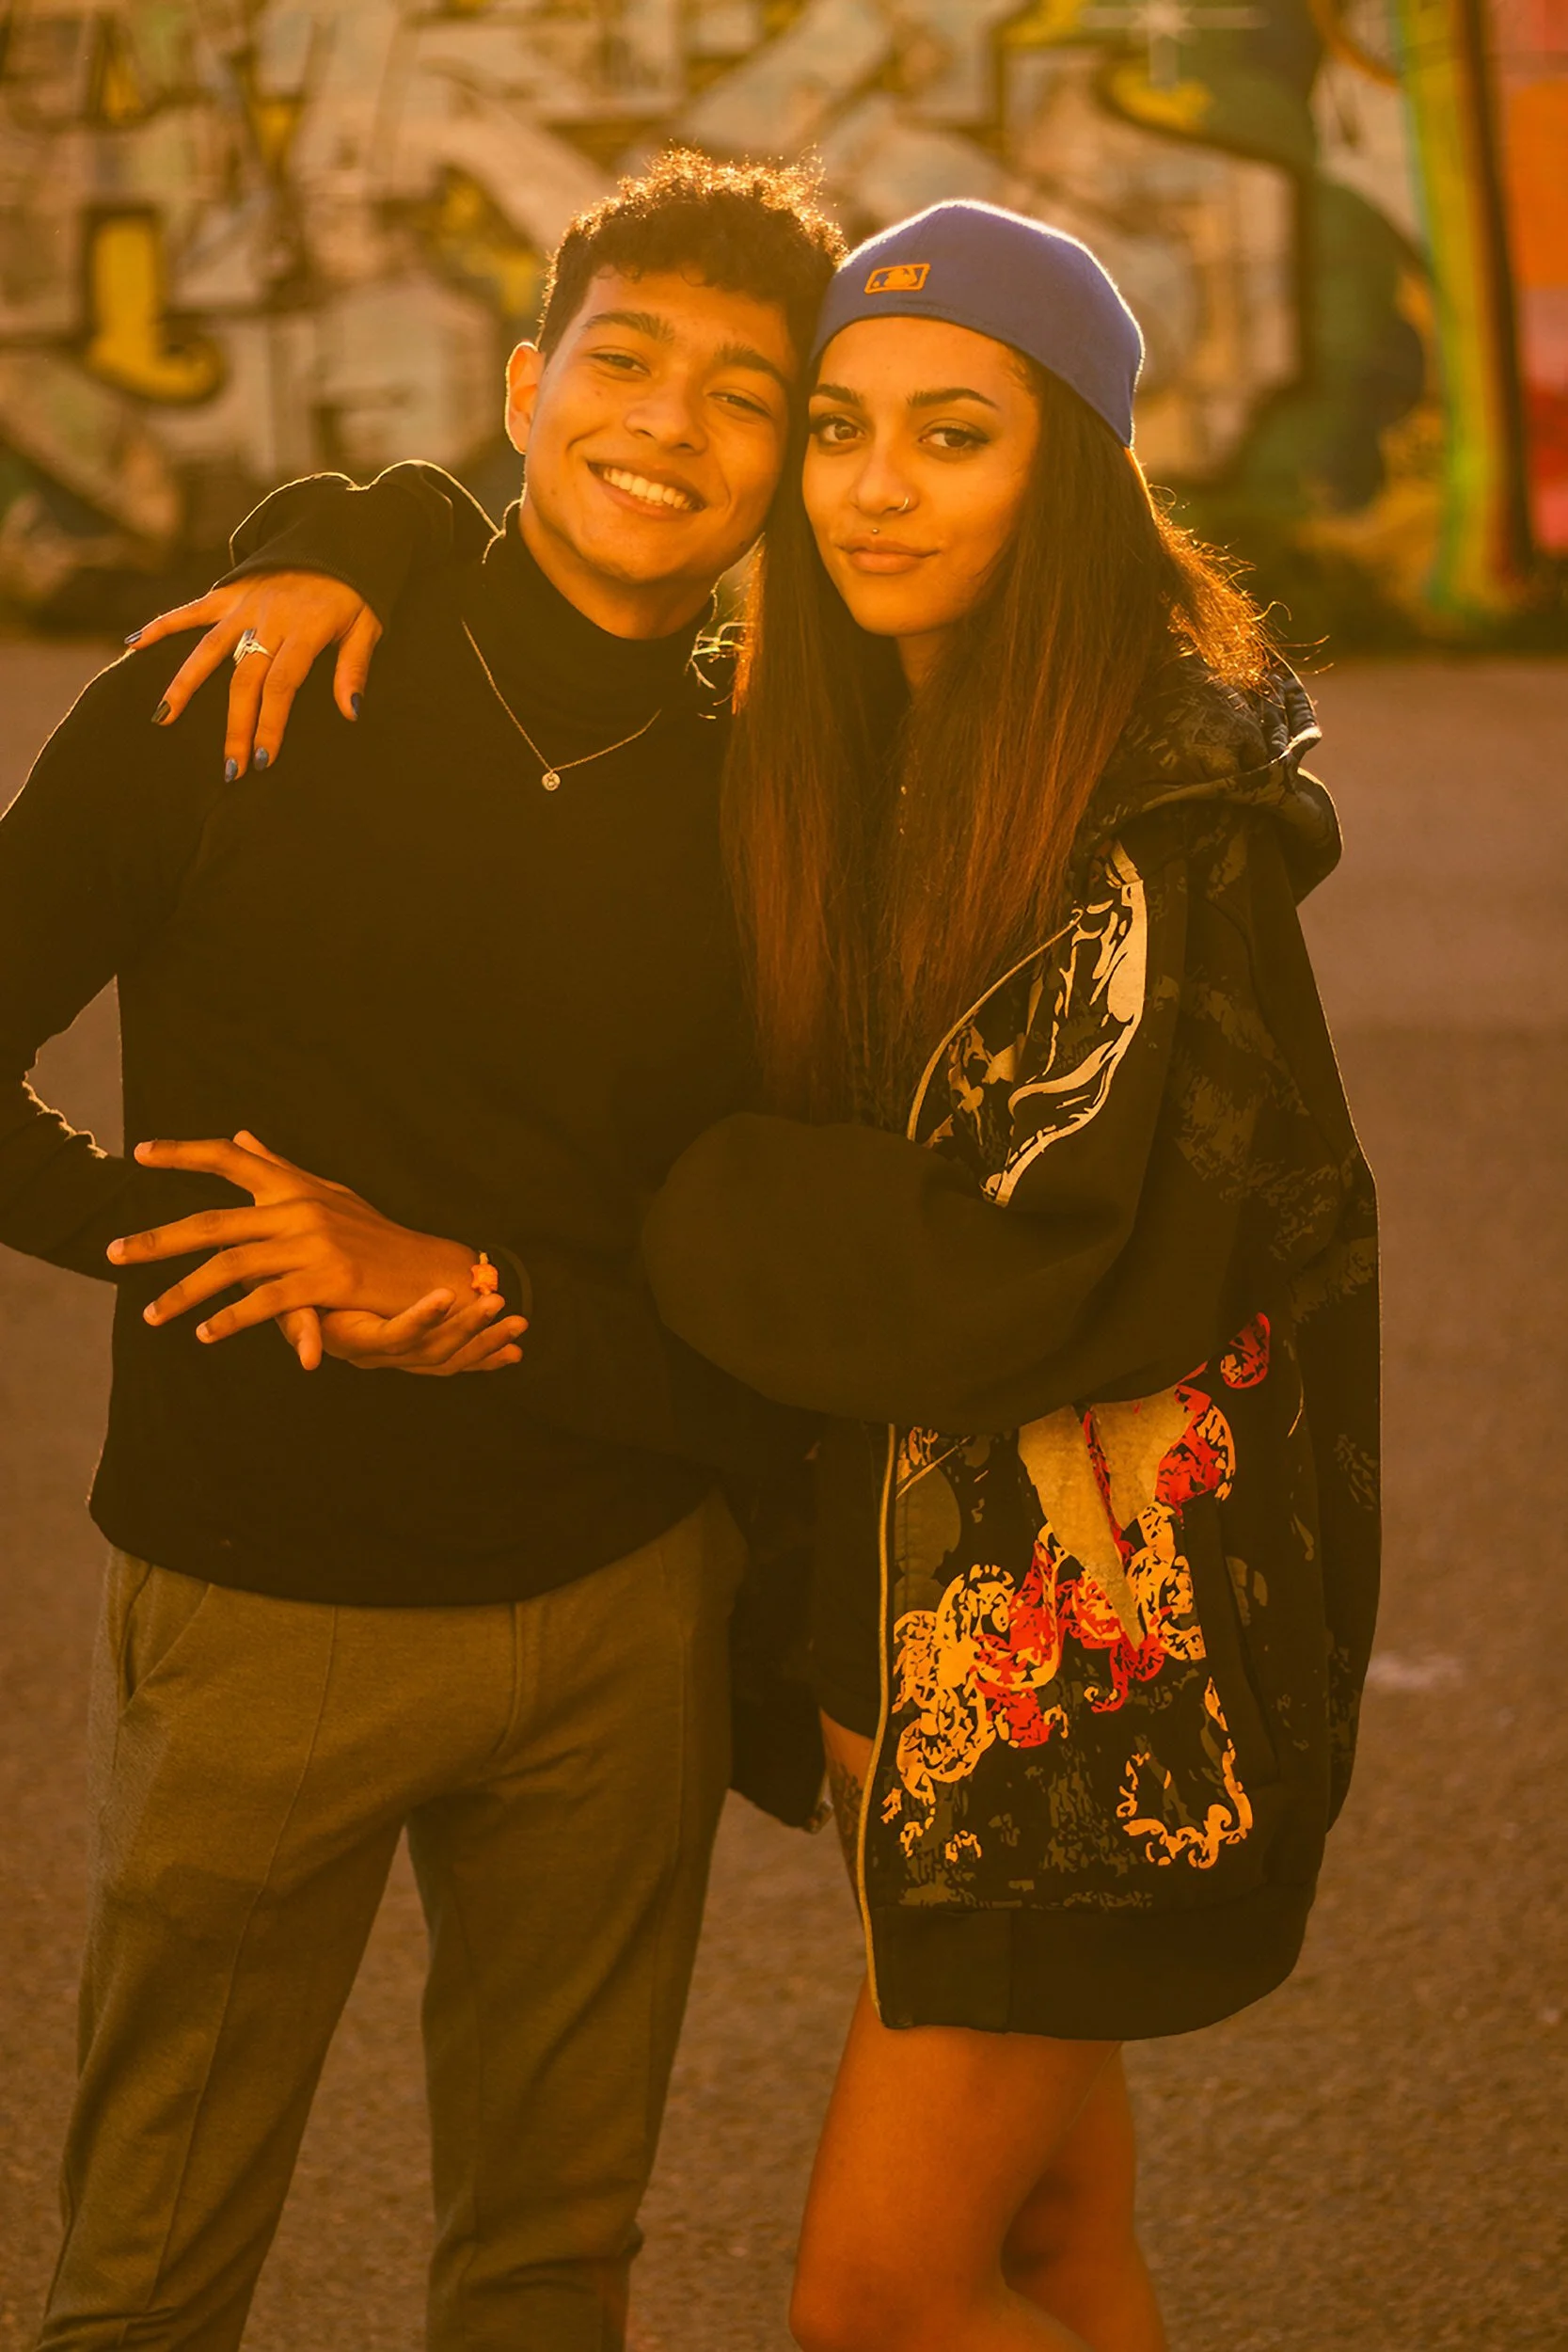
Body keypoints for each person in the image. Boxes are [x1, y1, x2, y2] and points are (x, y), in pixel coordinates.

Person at [122, 202, 1380, 2352]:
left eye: (953, 434)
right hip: (936, 1634)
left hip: (1090, 1670)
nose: (875, 486)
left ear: (1070, 473)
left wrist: (693, 1207)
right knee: (1054, 2245)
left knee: (876, 2295)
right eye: (836, 427)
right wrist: (355, 532)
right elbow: (541, 569)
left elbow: (1041, 1257)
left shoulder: (1147, 810)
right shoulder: (863, 727)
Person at [0, 152, 842, 2352]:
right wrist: (207, 1236)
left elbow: (787, 1273)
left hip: (622, 1607)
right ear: (524, 384)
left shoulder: (773, 796)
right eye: (624, 361)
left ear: (786, 460)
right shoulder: (245, 689)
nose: (667, 424)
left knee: (550, 2266)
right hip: (267, 1596)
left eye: (742, 394)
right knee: (148, 2276)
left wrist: (479, 1298)